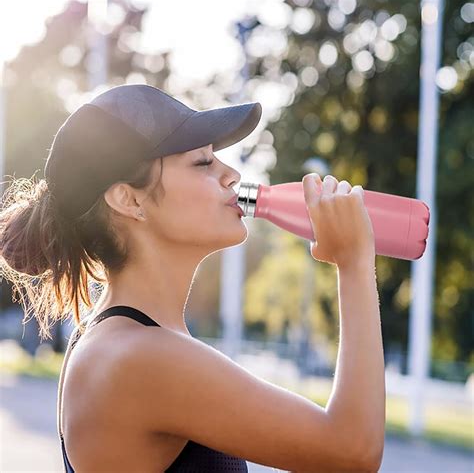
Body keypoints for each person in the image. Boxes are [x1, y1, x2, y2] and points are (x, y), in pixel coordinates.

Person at [0, 84, 385, 472]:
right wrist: (353, 264)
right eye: (203, 163)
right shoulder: (140, 357)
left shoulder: (126, 340)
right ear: (129, 200)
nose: (233, 175)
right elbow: (351, 452)